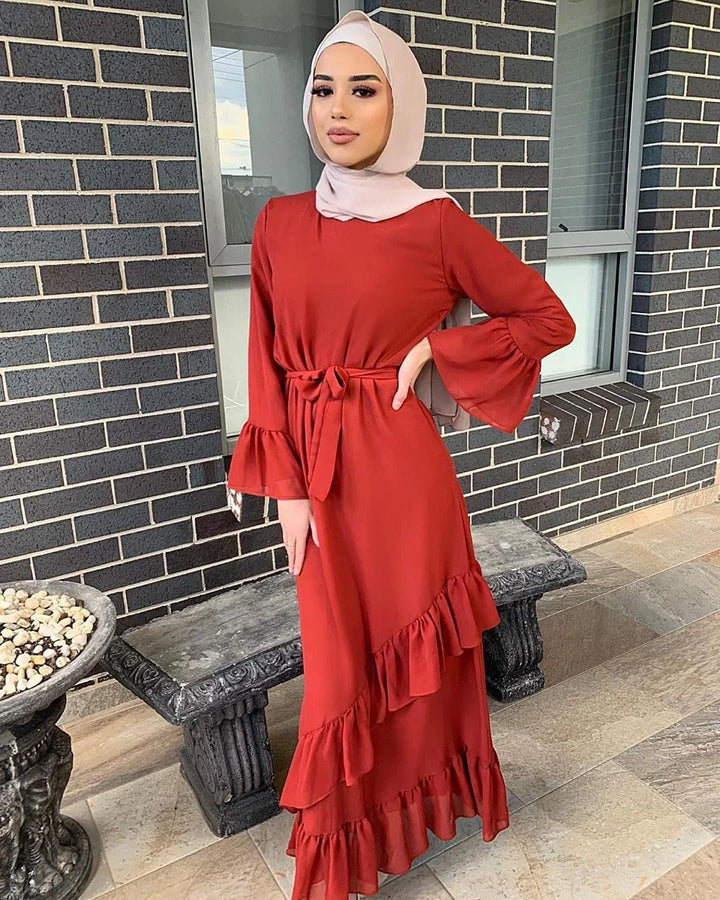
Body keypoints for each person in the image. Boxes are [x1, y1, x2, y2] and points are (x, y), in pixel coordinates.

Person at [226, 10, 576, 899]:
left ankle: (402, 825)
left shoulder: (436, 223)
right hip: (318, 475)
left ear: (400, 106)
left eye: (364, 89)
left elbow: (547, 318)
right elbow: (265, 356)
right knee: (340, 662)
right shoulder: (277, 222)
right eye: (322, 89)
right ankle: (344, 853)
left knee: (417, 672)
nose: (338, 109)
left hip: (401, 477)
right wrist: (287, 492)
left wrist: (435, 353)